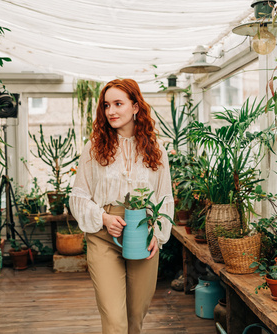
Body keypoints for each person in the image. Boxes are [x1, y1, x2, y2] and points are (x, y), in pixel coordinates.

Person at [69, 78, 174, 334]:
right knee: (115, 321)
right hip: (103, 236)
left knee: (135, 317)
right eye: (106, 105)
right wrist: (103, 218)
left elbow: (165, 197)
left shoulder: (157, 150)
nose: (111, 111)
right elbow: (79, 196)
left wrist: (157, 236)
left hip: (143, 235)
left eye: (118, 103)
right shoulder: (93, 149)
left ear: (136, 107)